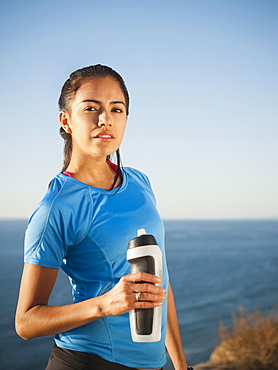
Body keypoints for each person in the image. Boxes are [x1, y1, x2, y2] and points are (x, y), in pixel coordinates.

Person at [15, 65, 192, 370]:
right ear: (66, 120)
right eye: (91, 108)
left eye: (116, 109)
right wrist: (104, 304)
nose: (105, 119)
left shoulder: (140, 183)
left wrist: (180, 365)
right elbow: (26, 322)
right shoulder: (56, 208)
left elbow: (160, 282)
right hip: (86, 361)